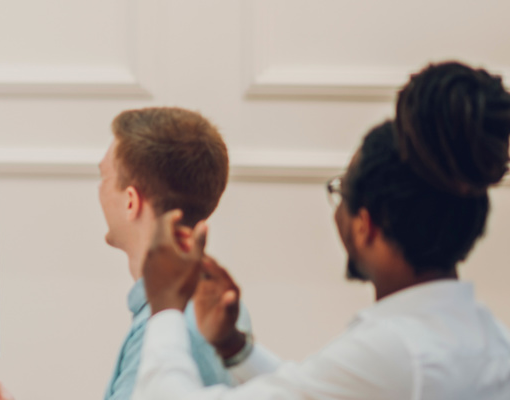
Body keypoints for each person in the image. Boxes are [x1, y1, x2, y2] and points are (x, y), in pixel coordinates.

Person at [136, 61, 510, 399]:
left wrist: (165, 305)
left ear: (366, 225)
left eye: (341, 193)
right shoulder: (485, 336)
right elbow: (319, 389)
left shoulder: (399, 353)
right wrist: (236, 348)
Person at [0, 107, 246, 399]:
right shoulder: (215, 308)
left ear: (131, 202)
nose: (99, 190)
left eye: (104, 177)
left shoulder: (164, 331)